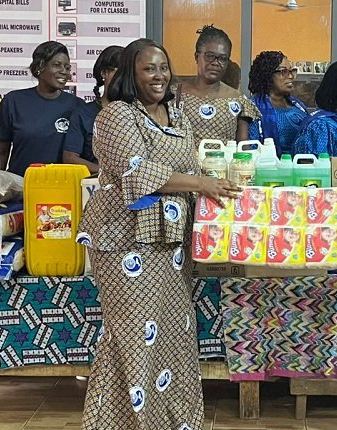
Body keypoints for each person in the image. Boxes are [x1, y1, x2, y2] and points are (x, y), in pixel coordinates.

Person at [77, 38, 239, 429]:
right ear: (131, 73)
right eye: (149, 68)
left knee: (171, 335)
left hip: (170, 243)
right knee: (133, 338)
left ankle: (170, 421)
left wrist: (210, 184)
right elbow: (137, 171)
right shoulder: (116, 115)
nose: (159, 75)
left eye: (163, 67)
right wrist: (200, 183)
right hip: (125, 243)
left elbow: (188, 163)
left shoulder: (175, 113)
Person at [0, 41, 82, 177]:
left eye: (67, 67)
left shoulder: (77, 106)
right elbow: (1, 151)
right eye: (57, 65)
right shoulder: (13, 101)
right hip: (21, 189)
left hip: (63, 188)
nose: (64, 72)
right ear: (40, 66)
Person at [179, 25, 260, 143]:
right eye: (210, 56)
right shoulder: (176, 93)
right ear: (197, 56)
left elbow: (243, 147)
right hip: (185, 161)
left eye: (222, 58)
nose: (216, 63)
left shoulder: (238, 99)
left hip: (225, 161)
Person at [62, 45, 123, 174]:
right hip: (93, 187)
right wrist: (108, 174)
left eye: (130, 74)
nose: (125, 79)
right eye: (120, 72)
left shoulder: (138, 112)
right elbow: (70, 158)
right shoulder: (83, 113)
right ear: (104, 73)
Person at [248, 51, 309, 157]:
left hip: (302, 166)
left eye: (292, 71)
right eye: (283, 71)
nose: (290, 76)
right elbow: (252, 148)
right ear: (267, 74)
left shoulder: (298, 106)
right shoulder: (253, 107)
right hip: (270, 167)